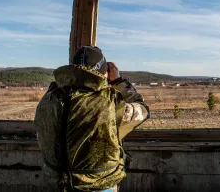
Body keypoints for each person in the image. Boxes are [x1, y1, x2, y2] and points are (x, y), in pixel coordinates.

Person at [34, 46, 149, 192]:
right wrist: (118, 80)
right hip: (99, 187)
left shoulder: (48, 99)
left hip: (59, 184)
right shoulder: (110, 105)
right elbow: (143, 110)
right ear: (104, 72)